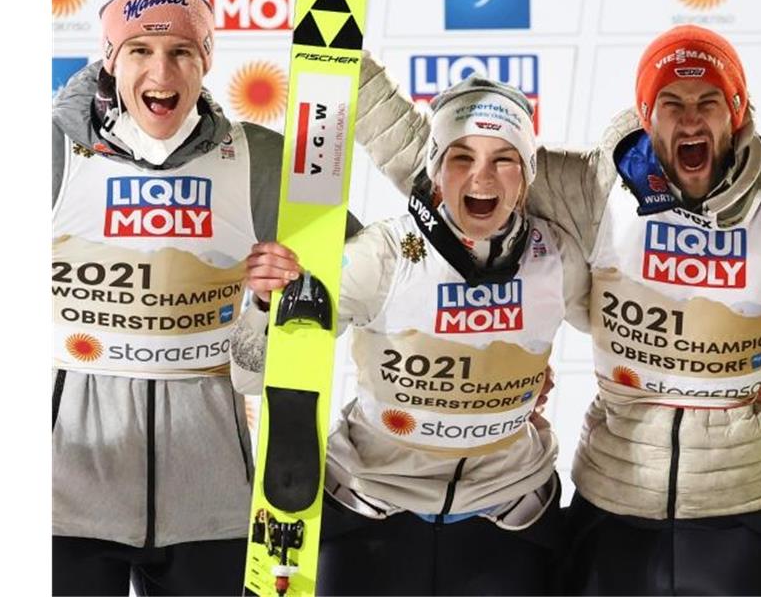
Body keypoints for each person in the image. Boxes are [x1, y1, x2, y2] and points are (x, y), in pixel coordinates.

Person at [352, 24, 761, 594]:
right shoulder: (593, 189)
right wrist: (338, 54)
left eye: (708, 101)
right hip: (615, 500)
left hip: (746, 501)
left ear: (737, 113)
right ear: (645, 114)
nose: (690, 119)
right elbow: (447, 169)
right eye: (671, 103)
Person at [50, 0, 356, 596]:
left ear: (206, 60)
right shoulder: (47, 153)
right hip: (66, 492)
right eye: (139, 49)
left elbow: (362, 274)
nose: (161, 73)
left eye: (181, 51)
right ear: (110, 60)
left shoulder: (259, 159)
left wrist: (274, 304)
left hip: (211, 492)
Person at [230, 76, 589, 595]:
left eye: (504, 159)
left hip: (507, 519)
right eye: (461, 156)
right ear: (437, 172)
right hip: (372, 515)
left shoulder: (556, 259)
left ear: (527, 176)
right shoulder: (383, 255)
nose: (481, 177)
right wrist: (265, 305)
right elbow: (249, 371)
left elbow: (626, 332)